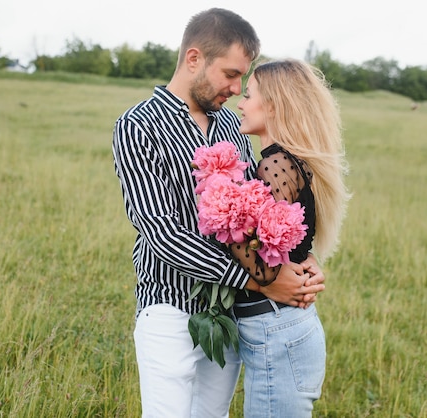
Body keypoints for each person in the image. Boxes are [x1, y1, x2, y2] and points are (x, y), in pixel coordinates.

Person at [111, 8, 325, 418]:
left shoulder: (231, 125)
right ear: (194, 59)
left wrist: (303, 259)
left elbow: (263, 213)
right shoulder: (138, 126)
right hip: (169, 305)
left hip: (227, 312)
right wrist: (259, 282)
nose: (237, 87)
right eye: (230, 74)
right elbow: (161, 232)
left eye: (243, 77)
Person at [230, 59, 350, 417]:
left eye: (249, 94)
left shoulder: (276, 166)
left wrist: (218, 203)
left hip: (277, 331)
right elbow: (291, 245)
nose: (240, 101)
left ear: (274, 105)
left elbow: (262, 267)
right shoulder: (289, 161)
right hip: (282, 329)